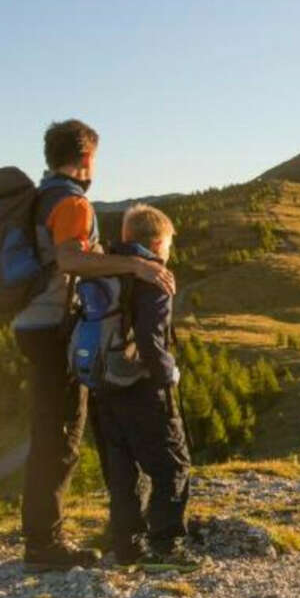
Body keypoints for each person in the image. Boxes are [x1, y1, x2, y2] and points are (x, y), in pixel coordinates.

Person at [13, 120, 175, 571]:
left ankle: (43, 537)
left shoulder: (41, 195)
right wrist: (136, 267)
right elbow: (70, 259)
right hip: (53, 328)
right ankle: (44, 546)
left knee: (51, 429)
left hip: (31, 323)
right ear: (86, 158)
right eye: (96, 158)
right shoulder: (71, 201)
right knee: (60, 434)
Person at [90, 203, 195, 569]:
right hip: (141, 384)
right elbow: (152, 340)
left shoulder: (101, 267)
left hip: (103, 384)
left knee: (122, 472)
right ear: (155, 242)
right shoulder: (155, 277)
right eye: (167, 244)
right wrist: (169, 376)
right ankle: (167, 548)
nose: (168, 252)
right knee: (172, 466)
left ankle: (127, 547)